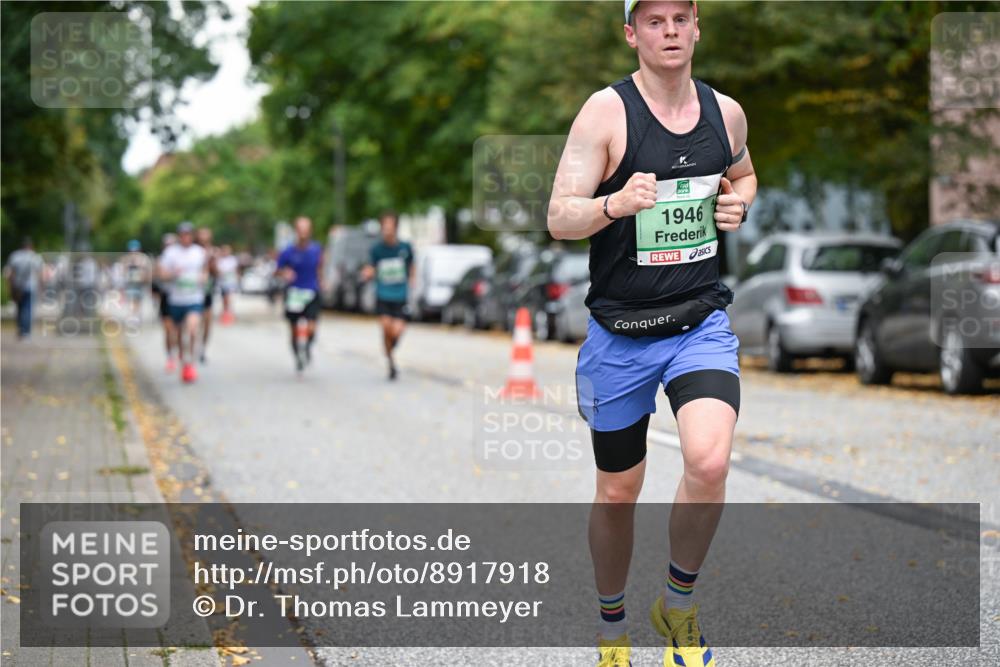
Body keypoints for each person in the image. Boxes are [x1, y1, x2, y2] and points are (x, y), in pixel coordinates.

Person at [546, 2, 757, 665]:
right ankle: (613, 626)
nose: (669, 30)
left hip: (698, 323)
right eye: (654, 19)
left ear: (697, 29)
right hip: (620, 333)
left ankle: (679, 603)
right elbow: (559, 214)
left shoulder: (726, 114)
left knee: (709, 460)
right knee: (618, 490)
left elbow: (745, 171)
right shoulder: (605, 114)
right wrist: (615, 204)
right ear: (631, 32)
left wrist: (739, 201)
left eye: (681, 18)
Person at [362, 210, 414, 381]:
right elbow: (371, 267)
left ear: (396, 228)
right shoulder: (377, 250)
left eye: (389, 227)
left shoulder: (405, 248)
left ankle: (390, 350)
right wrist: (368, 273)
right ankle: (390, 361)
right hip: (383, 294)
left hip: (400, 295)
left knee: (396, 330)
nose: (386, 230)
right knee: (386, 327)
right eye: (384, 227)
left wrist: (412, 283)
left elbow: (412, 267)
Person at [159, 222, 208, 383]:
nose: (186, 237)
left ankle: (190, 363)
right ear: (179, 236)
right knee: (179, 334)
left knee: (193, 329)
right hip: (176, 299)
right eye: (183, 234)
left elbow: (205, 271)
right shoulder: (170, 253)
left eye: (188, 234)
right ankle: (183, 360)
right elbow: (162, 274)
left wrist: (203, 278)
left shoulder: (199, 252)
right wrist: (173, 274)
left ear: (192, 236)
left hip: (194, 298)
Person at [276, 216, 323, 372]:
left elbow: (320, 267)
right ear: (296, 231)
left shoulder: (316, 249)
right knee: (294, 329)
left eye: (306, 229)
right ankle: (297, 356)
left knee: (311, 328)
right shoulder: (288, 251)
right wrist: (285, 272)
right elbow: (278, 270)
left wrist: (322, 281)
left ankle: (308, 348)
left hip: (312, 291)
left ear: (310, 231)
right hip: (294, 293)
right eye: (300, 229)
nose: (303, 232)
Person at [4, 237, 44, 339]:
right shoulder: (35, 257)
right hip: (31, 286)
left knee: (19, 309)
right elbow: (40, 274)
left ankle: (21, 329)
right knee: (28, 309)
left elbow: (9, 274)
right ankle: (26, 332)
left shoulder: (15, 256)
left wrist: (9, 287)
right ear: (31, 246)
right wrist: (41, 288)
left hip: (17, 287)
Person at [152, 234, 180, 372]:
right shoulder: (161, 260)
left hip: (182, 298)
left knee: (180, 330)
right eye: (167, 245)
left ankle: (181, 354)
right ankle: (170, 357)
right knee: (169, 330)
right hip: (166, 298)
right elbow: (156, 280)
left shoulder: (184, 258)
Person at [195, 227, 219, 363]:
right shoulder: (192, 251)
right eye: (201, 235)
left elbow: (217, 272)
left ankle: (202, 348)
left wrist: (211, 261)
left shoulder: (212, 251)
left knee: (207, 322)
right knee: (194, 321)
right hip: (192, 290)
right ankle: (192, 344)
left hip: (207, 290)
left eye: (206, 235)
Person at [122, 239, 149, 320]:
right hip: (129, 283)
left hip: (140, 283)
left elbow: (146, 271)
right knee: (131, 299)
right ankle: (132, 316)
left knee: (138, 300)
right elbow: (123, 271)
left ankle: (136, 316)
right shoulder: (126, 259)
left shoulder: (143, 258)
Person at [216, 244, 239, 325]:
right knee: (224, 299)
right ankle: (225, 314)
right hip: (222, 283)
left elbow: (236, 271)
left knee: (228, 298)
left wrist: (237, 279)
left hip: (230, 282)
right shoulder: (219, 260)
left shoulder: (233, 259)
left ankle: (228, 314)